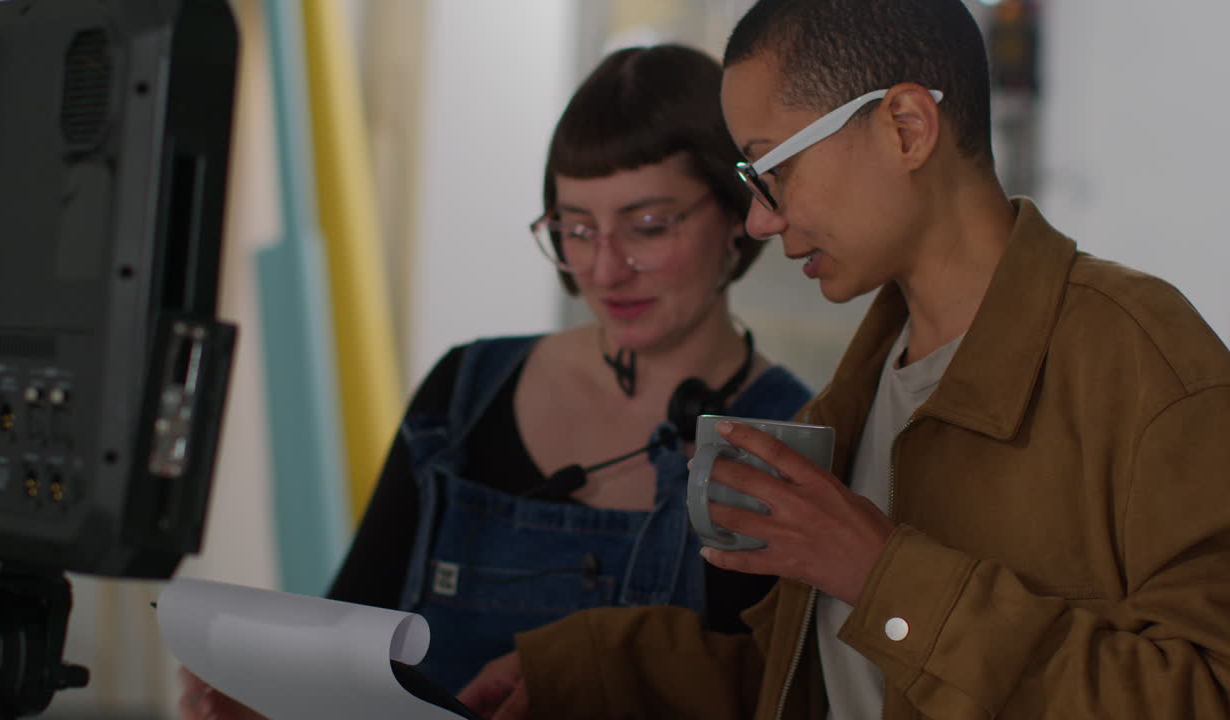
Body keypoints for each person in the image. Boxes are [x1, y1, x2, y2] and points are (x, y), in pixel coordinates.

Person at [456, 0, 1230, 718]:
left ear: (906, 127)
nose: (761, 218)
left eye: (775, 168)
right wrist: (587, 667)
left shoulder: (1141, 357)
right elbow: (813, 678)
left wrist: (880, 575)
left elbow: (1203, 693)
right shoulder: (854, 395)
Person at [177, 43, 814, 719]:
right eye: (574, 229)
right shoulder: (464, 393)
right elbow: (348, 642)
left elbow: (781, 694)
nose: (604, 269)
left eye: (648, 227)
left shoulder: (788, 442)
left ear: (740, 218)